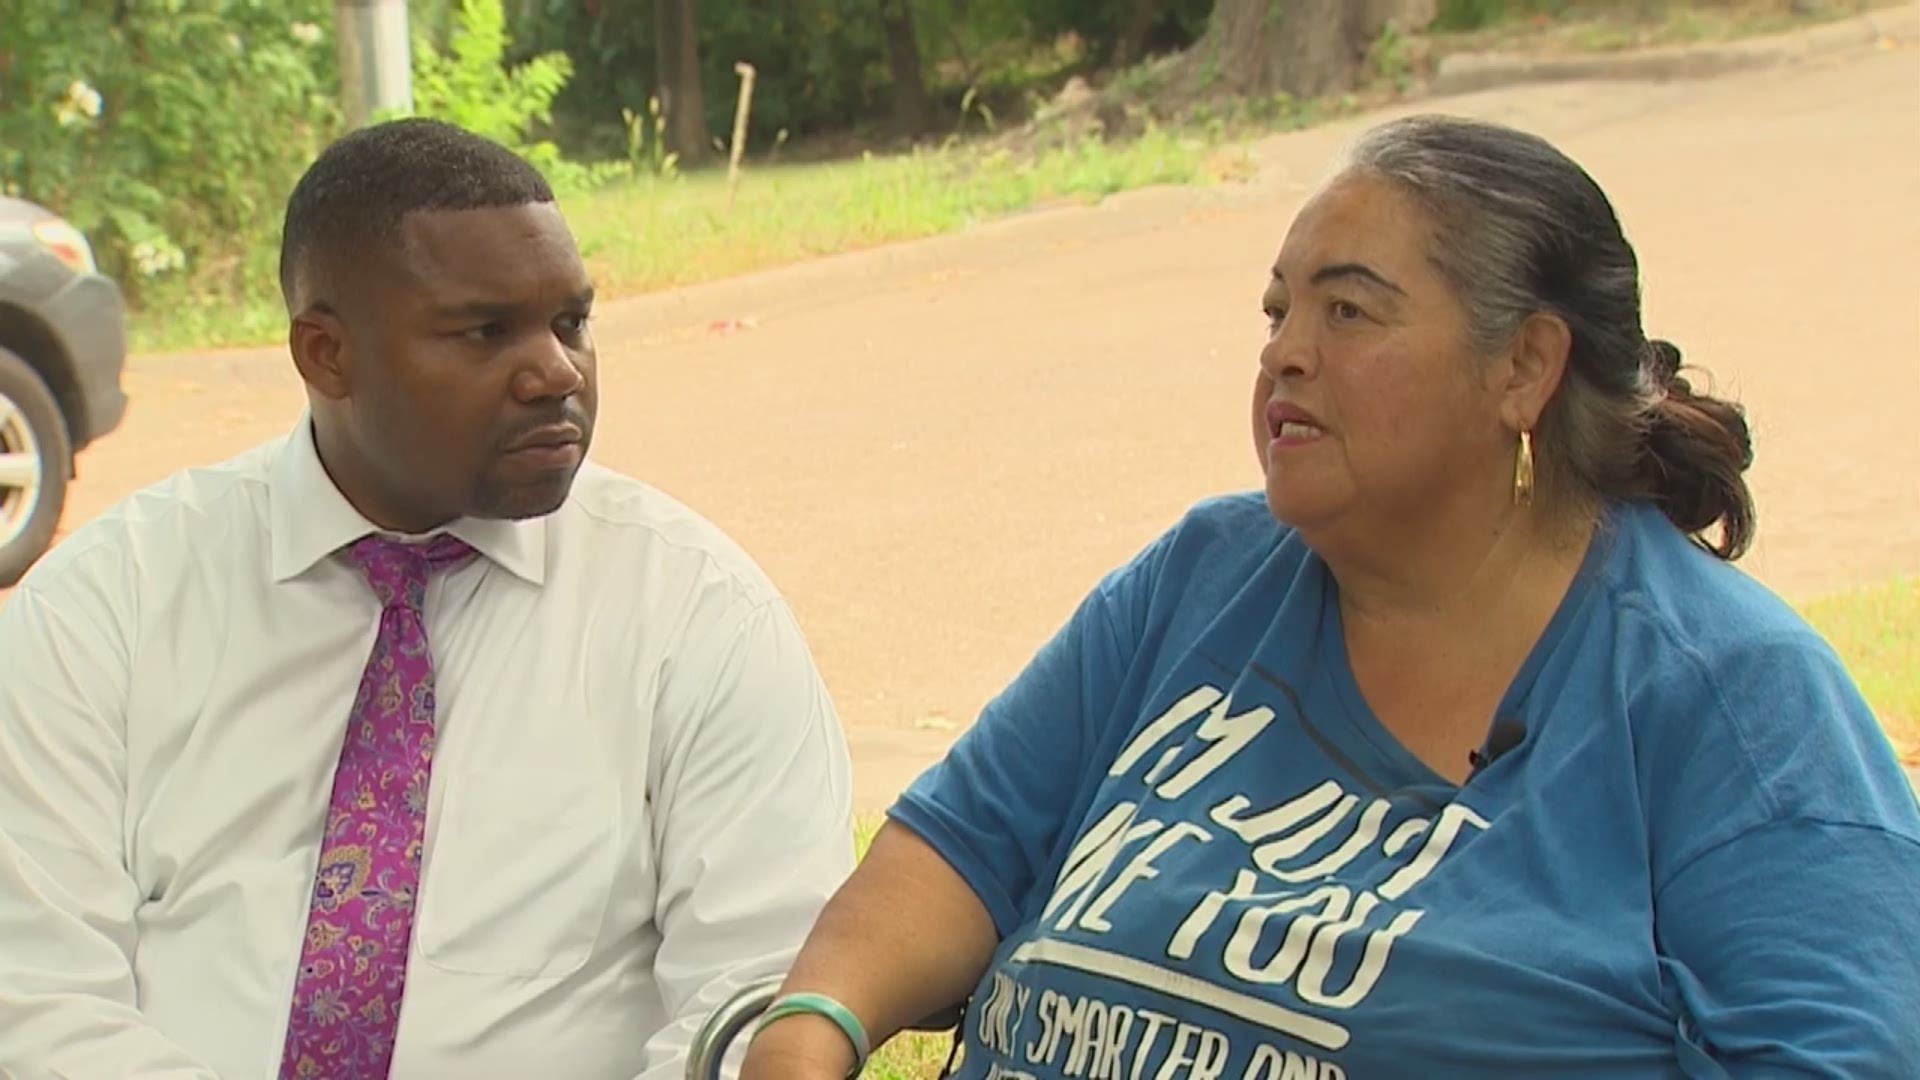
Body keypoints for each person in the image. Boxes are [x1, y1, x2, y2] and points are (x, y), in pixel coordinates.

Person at [737, 115, 1920, 1079]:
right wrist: (813, 1031)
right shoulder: (1206, 576)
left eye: (1347, 311)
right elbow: (963, 847)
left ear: (1525, 367)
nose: (1284, 352)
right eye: (1277, 310)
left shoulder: (1734, 705)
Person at [0, 118, 855, 1079]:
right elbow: (32, 997)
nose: (557, 372)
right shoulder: (109, 606)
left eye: (571, 322)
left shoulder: (697, 616)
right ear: (327, 354)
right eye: (486, 331)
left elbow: (754, 1004)